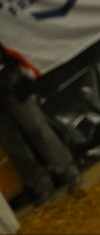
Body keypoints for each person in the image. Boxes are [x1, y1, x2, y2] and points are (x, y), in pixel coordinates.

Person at [0, 48, 82, 206]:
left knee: (37, 128)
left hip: (9, 81)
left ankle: (70, 173)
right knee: (14, 146)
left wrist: (15, 73)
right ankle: (42, 187)